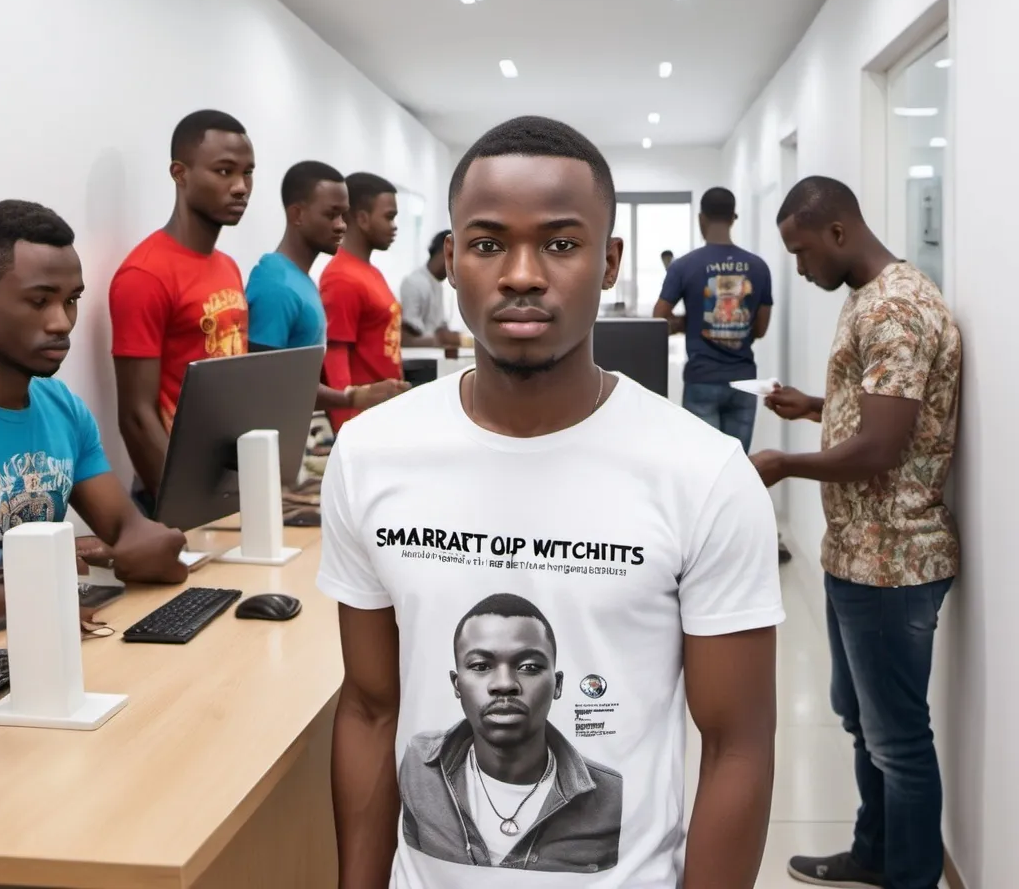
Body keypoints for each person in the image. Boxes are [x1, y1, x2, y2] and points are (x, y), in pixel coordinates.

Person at [317, 116, 784, 888]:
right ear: (453, 259)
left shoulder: (702, 473)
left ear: (609, 261)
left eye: (562, 244)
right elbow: (369, 710)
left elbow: (739, 746)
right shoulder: (371, 454)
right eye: (489, 242)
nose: (523, 274)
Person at [749, 176, 961, 889]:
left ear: (838, 231)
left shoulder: (898, 309)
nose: (801, 269)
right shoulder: (867, 300)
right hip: (855, 554)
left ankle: (911, 876)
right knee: (860, 722)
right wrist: (814, 405)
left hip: (894, 561)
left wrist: (781, 464)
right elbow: (877, 412)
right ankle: (873, 854)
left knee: (899, 742)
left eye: (802, 252)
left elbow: (878, 449)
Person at [0, 200, 188, 621]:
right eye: (39, 301)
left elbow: (144, 540)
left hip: (47, 648)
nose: (62, 322)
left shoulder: (64, 409)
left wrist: (125, 549)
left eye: (71, 300)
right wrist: (44, 583)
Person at [399, 593, 623, 871]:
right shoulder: (417, 764)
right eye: (481, 666)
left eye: (528, 667)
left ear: (557, 685)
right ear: (457, 684)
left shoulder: (612, 796)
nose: (504, 684)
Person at [109, 110, 253, 515]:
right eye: (224, 171)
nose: (241, 187)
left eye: (248, 173)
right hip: (176, 492)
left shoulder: (227, 266)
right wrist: (183, 508)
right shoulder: (145, 274)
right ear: (180, 173)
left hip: (229, 482)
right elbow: (136, 416)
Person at [245, 160, 407, 416]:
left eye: (344, 215)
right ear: (298, 214)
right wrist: (350, 403)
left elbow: (297, 384)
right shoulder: (276, 285)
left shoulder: (300, 280)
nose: (342, 225)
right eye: (331, 215)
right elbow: (265, 387)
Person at [653, 187, 772, 454]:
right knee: (737, 464)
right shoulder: (758, 267)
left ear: (700, 219)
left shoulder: (683, 266)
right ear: (734, 218)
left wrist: (689, 322)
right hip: (744, 380)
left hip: (701, 378)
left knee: (702, 466)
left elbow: (658, 319)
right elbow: (761, 329)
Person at [318, 172, 407, 434]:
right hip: (362, 421)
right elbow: (335, 357)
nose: (394, 226)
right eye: (389, 216)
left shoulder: (371, 272)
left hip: (385, 412)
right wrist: (345, 429)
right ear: (362, 218)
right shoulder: (341, 277)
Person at [399, 230, 473, 349]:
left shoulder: (436, 284)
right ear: (444, 253)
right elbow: (407, 337)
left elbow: (438, 327)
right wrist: (442, 339)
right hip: (416, 359)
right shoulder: (414, 282)